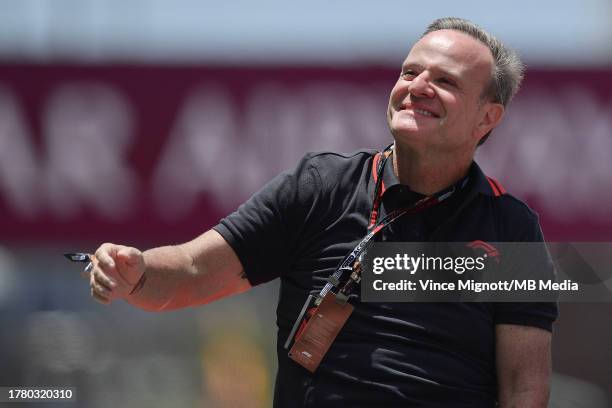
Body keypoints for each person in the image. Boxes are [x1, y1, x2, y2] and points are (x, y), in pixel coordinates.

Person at [87, 17, 557, 407]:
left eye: (445, 81)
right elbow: (193, 270)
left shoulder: (512, 228)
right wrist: (138, 271)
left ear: (487, 118)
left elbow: (525, 388)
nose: (418, 88)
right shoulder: (318, 188)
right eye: (410, 72)